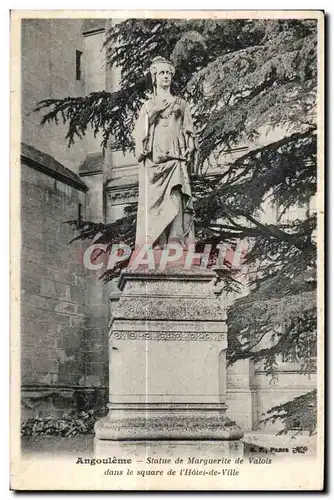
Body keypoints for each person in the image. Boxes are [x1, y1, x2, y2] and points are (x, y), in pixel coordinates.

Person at [133, 56, 196, 250]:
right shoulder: (148, 105)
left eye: (168, 73)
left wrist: (191, 144)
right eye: (161, 73)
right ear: (155, 77)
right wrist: (153, 113)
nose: (166, 77)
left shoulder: (181, 103)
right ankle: (157, 239)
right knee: (155, 200)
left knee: (176, 192)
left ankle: (176, 238)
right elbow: (138, 132)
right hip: (155, 158)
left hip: (175, 155)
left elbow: (188, 129)